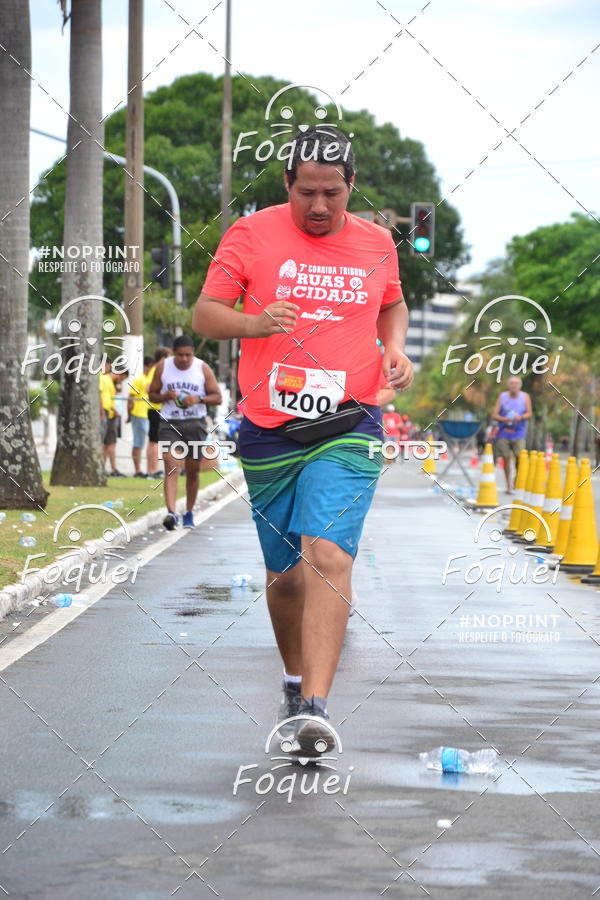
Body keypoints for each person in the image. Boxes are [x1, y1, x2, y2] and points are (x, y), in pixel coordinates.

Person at [193, 125, 412, 755]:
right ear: (287, 183)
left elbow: (392, 303)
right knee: (284, 574)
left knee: (328, 554)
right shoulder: (252, 233)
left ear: (351, 188)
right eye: (307, 192)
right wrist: (255, 322)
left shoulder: (376, 242)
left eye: (333, 194)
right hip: (269, 426)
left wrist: (393, 346)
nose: (319, 206)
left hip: (350, 422)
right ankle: (294, 681)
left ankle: (315, 710)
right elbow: (206, 315)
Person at [148, 335, 221, 530]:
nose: (184, 359)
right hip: (170, 422)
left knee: (193, 471)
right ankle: (171, 513)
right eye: (180, 355)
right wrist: (165, 396)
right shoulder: (163, 368)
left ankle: (189, 512)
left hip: (195, 423)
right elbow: (151, 395)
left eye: (188, 355)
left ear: (193, 353)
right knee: (171, 464)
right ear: (173, 353)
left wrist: (198, 399)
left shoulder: (202, 368)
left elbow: (217, 397)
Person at [492, 376, 532, 493]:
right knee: (506, 459)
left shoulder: (525, 397)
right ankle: (508, 485)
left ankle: (516, 481)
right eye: (511, 383)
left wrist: (521, 417)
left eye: (516, 383)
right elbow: (494, 415)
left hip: (519, 433)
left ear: (520, 386)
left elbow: (529, 413)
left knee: (520, 458)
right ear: (508, 385)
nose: (514, 385)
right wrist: (504, 419)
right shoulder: (502, 397)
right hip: (503, 432)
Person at [99, 360, 128, 477]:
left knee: (108, 443)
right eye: (122, 379)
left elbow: (108, 399)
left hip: (110, 413)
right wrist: (103, 412)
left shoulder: (108, 380)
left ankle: (104, 468)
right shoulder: (103, 378)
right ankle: (111, 468)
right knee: (108, 443)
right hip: (106, 413)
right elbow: (101, 396)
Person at [146, 346, 171, 479]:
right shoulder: (158, 369)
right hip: (156, 408)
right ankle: (154, 470)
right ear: (162, 358)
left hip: (153, 408)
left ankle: (150, 470)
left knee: (152, 441)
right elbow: (148, 387)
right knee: (155, 441)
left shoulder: (156, 369)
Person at [127, 355, 153, 477]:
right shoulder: (139, 379)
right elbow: (130, 398)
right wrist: (129, 414)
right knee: (138, 442)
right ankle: (137, 470)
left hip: (147, 414)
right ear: (146, 366)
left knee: (146, 442)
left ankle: (146, 469)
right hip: (138, 413)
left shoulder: (150, 379)